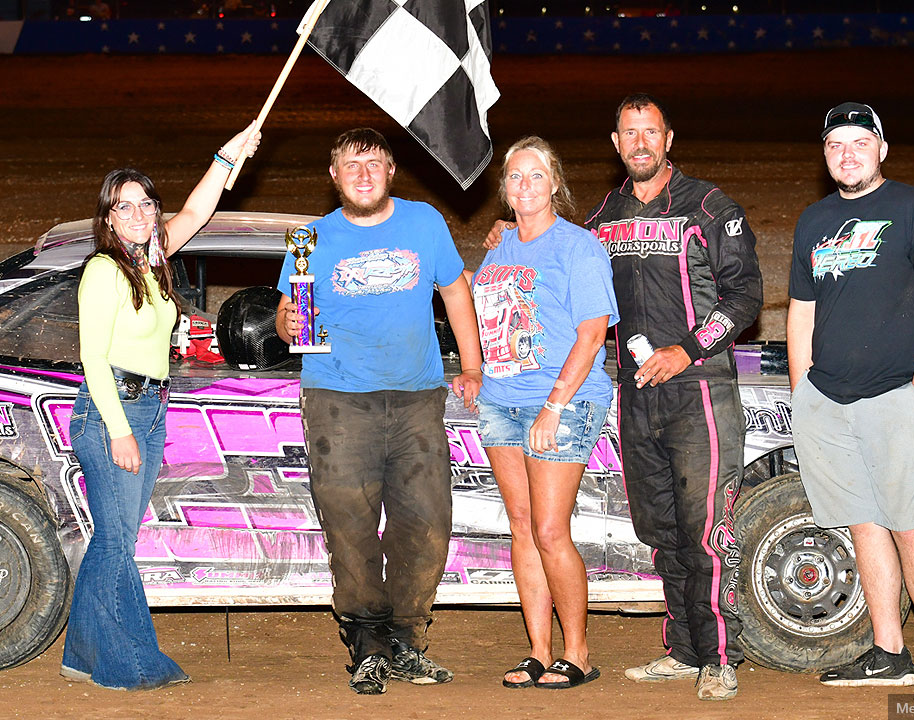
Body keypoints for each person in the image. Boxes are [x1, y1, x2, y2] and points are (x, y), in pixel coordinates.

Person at [489, 94, 762, 700]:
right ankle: (683, 649)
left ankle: (719, 655)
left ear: (669, 139)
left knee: (705, 527)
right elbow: (557, 260)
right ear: (615, 144)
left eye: (651, 132)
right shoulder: (602, 217)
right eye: (628, 133)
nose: (640, 143)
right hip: (636, 394)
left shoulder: (708, 207)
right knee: (660, 526)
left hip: (698, 391)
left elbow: (745, 297)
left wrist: (687, 350)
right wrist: (511, 231)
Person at [274, 128, 483, 695]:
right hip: (337, 402)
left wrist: (472, 365)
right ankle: (368, 644)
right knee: (350, 528)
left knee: (426, 526)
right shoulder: (309, 238)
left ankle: (407, 642)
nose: (363, 174)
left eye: (373, 163)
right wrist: (285, 323)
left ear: (391, 170)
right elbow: (288, 308)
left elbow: (456, 292)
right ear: (333, 176)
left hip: (417, 398)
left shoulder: (425, 223)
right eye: (350, 164)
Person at [63, 121, 261, 690]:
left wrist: (229, 154)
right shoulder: (105, 270)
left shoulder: (154, 262)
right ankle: (127, 664)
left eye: (145, 203)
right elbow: (93, 359)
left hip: (151, 410)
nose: (139, 214)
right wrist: (120, 430)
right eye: (124, 207)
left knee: (115, 537)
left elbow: (198, 212)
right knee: (116, 540)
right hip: (110, 413)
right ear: (108, 219)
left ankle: (81, 656)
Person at [786, 102, 914, 700]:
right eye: (835, 144)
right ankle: (889, 648)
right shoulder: (813, 221)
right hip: (826, 400)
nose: (847, 153)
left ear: (882, 148)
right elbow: (802, 310)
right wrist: (801, 389)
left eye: (860, 142)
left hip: (894, 396)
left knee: (912, 525)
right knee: (863, 525)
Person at [473, 137, 619, 690]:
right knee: (521, 528)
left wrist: (555, 404)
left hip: (562, 400)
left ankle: (577, 652)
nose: (525, 186)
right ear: (504, 188)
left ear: (555, 182)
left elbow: (592, 334)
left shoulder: (578, 247)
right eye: (514, 176)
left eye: (536, 175)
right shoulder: (499, 247)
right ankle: (538, 650)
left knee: (550, 529)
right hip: (501, 401)